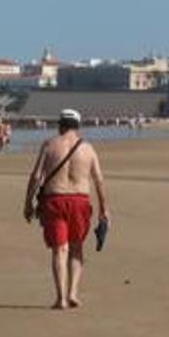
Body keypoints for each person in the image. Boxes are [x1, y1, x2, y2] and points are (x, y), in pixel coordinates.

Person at [23, 109, 111, 310]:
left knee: (59, 249)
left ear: (60, 125)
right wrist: (104, 208)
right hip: (80, 201)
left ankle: (61, 298)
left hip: (55, 200)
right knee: (76, 247)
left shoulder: (49, 145)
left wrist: (28, 202)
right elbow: (98, 179)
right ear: (78, 126)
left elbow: (36, 176)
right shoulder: (88, 149)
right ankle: (73, 293)